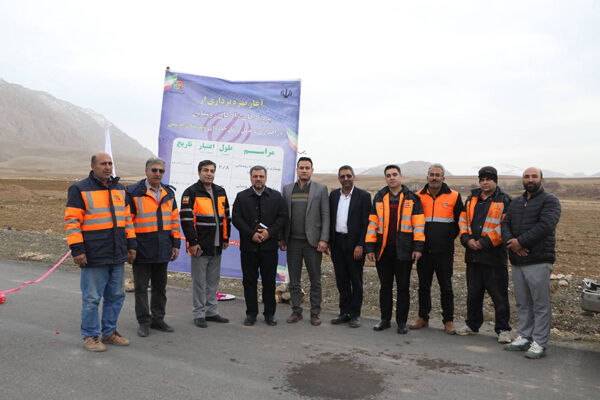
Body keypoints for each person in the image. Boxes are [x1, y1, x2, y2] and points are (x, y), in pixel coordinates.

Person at [65, 152, 136, 352]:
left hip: (117, 253)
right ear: (93, 166)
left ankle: (109, 332)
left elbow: (127, 220)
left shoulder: (120, 189)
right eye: (103, 163)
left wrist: (131, 245)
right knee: (92, 299)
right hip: (94, 254)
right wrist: (77, 250)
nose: (107, 167)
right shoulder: (79, 189)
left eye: (110, 163)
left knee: (116, 295)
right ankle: (90, 336)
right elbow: (72, 222)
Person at [502, 167, 561, 359]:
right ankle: (525, 336)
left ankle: (539, 342)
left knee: (540, 304)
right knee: (523, 302)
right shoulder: (516, 202)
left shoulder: (550, 201)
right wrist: (512, 244)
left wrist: (521, 242)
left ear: (541, 180)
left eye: (534, 176)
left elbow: (546, 226)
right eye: (526, 176)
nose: (530, 179)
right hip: (518, 260)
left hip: (538, 259)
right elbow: (505, 224)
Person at [365, 165, 425, 334]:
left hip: (404, 251)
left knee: (403, 288)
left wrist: (418, 248)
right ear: (385, 178)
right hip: (383, 251)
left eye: (394, 174)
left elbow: (419, 226)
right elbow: (372, 224)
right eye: (388, 175)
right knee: (385, 287)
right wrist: (370, 247)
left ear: (401, 176)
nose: (391, 178)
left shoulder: (412, 198)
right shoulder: (379, 197)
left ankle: (401, 322)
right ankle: (385, 320)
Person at [457, 166, 512, 343]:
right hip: (473, 256)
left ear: (495, 181)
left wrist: (484, 242)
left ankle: (503, 329)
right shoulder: (471, 199)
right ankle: (472, 325)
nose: (485, 182)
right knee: (473, 294)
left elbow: (505, 226)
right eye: (482, 179)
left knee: (499, 296)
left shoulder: (505, 201)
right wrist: (467, 239)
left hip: (494, 257)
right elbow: (463, 220)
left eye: (488, 179)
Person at [127, 157, 181, 337]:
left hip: (162, 247)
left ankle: (158, 320)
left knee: (160, 287)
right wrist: (131, 246)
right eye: (154, 170)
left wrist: (176, 244)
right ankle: (144, 321)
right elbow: (128, 222)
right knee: (141, 288)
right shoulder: (134, 192)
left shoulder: (169, 193)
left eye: (161, 171)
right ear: (146, 171)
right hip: (141, 248)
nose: (158, 174)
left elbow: (174, 221)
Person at [410, 163, 463, 334]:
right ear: (427, 177)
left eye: (437, 175)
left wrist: (447, 237)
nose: (434, 178)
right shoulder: (418, 196)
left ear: (443, 178)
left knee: (446, 287)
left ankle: (448, 320)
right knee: (423, 286)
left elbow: (460, 221)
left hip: (444, 251)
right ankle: (423, 317)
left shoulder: (454, 196)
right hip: (423, 251)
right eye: (431, 174)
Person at [232, 166, 287, 326]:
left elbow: (283, 217)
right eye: (255, 176)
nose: (258, 179)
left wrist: (269, 232)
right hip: (248, 248)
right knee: (249, 282)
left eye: (261, 176)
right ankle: (251, 314)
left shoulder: (276, 196)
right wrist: (251, 234)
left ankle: (269, 314)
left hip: (269, 248)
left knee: (269, 282)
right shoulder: (242, 197)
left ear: (266, 178)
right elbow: (236, 218)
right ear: (251, 178)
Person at [180, 160, 231, 328]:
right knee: (199, 282)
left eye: (212, 171)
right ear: (199, 172)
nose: (209, 173)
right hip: (200, 246)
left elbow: (226, 217)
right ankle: (199, 313)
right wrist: (192, 242)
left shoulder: (220, 191)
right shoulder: (191, 192)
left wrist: (225, 238)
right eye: (206, 170)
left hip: (217, 245)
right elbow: (187, 220)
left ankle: (211, 312)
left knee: (213, 281)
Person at [280, 157, 330, 326]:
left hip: (313, 243)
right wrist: (282, 238)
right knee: (294, 280)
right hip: (293, 242)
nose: (304, 170)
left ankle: (315, 313)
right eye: (301, 167)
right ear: (297, 170)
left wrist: (324, 239)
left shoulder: (320, 189)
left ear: (312, 170)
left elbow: (326, 216)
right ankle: (296, 311)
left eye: (307, 168)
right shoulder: (288, 189)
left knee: (315, 279)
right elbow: (283, 216)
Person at [328, 165, 371, 328]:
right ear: (339, 179)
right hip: (337, 242)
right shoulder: (333, 195)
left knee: (356, 280)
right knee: (341, 280)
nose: (346, 179)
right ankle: (344, 312)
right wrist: (328, 241)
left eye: (348, 176)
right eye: (342, 176)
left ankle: (355, 314)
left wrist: (361, 244)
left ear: (354, 177)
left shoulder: (363, 196)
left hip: (355, 245)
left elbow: (366, 223)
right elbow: (330, 219)